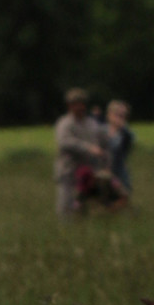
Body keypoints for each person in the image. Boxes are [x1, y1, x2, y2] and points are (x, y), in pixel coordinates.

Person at [53, 87, 110, 221]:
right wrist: (88, 147)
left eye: (82, 103)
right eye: (76, 104)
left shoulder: (92, 123)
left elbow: (103, 141)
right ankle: (64, 230)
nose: (80, 107)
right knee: (66, 204)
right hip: (68, 170)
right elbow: (64, 142)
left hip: (88, 171)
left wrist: (104, 157)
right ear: (70, 106)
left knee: (86, 204)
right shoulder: (64, 123)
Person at [104, 98, 135, 199]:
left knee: (123, 199)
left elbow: (125, 147)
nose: (121, 119)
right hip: (101, 173)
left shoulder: (127, 134)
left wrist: (122, 129)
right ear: (109, 114)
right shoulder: (100, 131)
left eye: (124, 116)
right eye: (118, 115)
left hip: (119, 174)